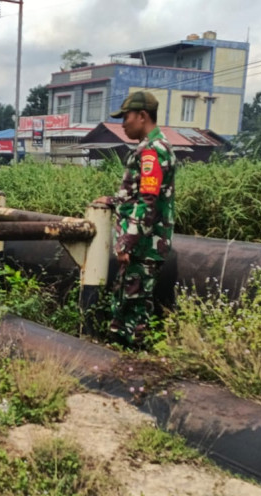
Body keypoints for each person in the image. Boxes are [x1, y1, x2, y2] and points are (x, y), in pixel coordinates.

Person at [95, 91, 176, 348]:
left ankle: (136, 359)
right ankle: (119, 351)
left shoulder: (152, 151)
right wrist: (112, 200)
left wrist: (127, 241)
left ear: (142, 116)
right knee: (125, 298)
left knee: (136, 302)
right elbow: (137, 195)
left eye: (126, 117)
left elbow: (148, 202)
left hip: (144, 245)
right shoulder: (149, 148)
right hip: (141, 244)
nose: (122, 124)